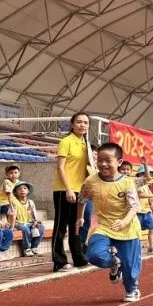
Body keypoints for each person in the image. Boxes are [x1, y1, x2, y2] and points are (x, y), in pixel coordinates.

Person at [78, 142, 142, 302]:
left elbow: (135, 206)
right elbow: (82, 199)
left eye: (108, 160)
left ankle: (132, 289)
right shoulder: (90, 181)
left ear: (119, 162)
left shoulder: (127, 182)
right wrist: (79, 217)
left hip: (127, 227)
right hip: (100, 224)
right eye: (100, 160)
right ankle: (115, 262)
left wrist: (124, 221)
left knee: (130, 266)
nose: (103, 164)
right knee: (94, 255)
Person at [53, 112, 92, 271]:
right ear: (72, 124)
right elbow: (60, 167)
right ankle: (59, 261)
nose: (82, 125)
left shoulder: (86, 144)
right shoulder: (66, 141)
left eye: (86, 122)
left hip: (80, 190)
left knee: (77, 225)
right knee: (61, 226)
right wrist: (68, 189)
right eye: (79, 122)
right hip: (64, 189)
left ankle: (79, 258)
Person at [9, 181, 45, 256]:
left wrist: (35, 222)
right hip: (18, 223)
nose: (22, 190)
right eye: (19, 189)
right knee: (25, 229)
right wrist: (12, 226)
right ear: (15, 192)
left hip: (29, 222)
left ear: (28, 191)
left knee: (41, 227)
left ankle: (34, 247)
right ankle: (26, 248)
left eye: (25, 188)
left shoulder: (30, 202)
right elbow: (12, 214)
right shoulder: (14, 202)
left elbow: (34, 213)